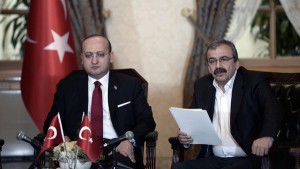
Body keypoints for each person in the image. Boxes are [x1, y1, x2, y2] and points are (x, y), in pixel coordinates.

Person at [43, 34, 156, 169]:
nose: (94, 60)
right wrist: (64, 139)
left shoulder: (130, 85)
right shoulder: (67, 86)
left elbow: (147, 121)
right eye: (89, 55)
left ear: (111, 56)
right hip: (79, 150)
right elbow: (51, 122)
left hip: (118, 148)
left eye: (100, 54)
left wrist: (128, 141)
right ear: (82, 58)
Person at [172, 39, 282, 169]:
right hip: (214, 159)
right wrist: (186, 137)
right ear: (208, 67)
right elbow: (192, 121)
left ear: (236, 63)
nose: (218, 66)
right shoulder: (202, 86)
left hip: (249, 158)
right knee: (179, 168)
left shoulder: (254, 81)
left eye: (224, 59)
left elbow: (274, 110)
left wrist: (267, 136)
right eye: (212, 61)